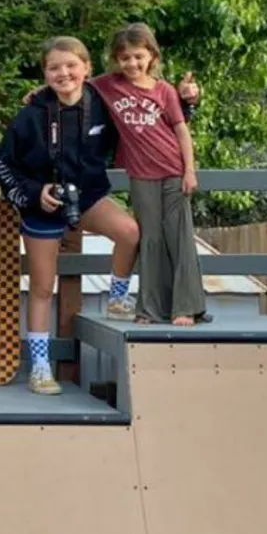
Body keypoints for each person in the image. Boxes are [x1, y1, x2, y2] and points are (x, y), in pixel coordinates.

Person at [0, 37, 142, 394]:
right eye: (54, 68)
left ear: (87, 68)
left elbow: (148, 121)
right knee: (43, 288)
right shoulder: (31, 114)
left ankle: (118, 298)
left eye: (70, 65)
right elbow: (4, 163)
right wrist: (34, 193)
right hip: (43, 204)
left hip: (88, 197)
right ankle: (41, 367)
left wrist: (186, 108)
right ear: (44, 73)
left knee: (129, 231)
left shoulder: (103, 104)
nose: (63, 73)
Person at [92, 23, 206, 325]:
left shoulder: (164, 91)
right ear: (117, 59)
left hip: (173, 170)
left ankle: (185, 307)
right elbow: (74, 84)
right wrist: (41, 91)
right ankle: (151, 309)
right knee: (150, 239)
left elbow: (181, 131)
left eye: (139, 57)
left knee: (178, 238)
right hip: (141, 176)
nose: (132, 63)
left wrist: (189, 171)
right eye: (126, 57)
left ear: (152, 57)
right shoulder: (108, 85)